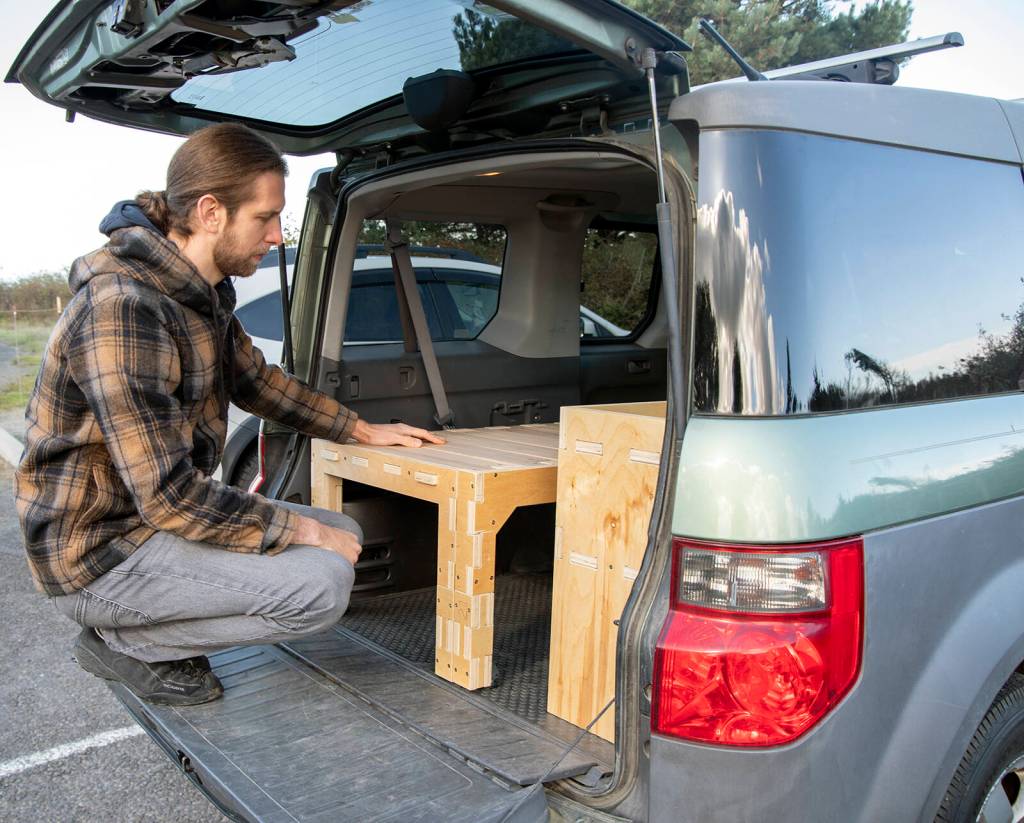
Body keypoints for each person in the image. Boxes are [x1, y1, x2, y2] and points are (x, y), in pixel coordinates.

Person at [14, 123, 444, 707]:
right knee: (319, 588)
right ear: (211, 212)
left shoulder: (198, 294)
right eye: (265, 217)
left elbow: (257, 382)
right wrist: (301, 530)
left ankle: (146, 628)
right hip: (100, 551)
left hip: (148, 524)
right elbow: (169, 496)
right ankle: (124, 642)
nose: (275, 235)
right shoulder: (124, 310)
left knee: (345, 532)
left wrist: (362, 429)